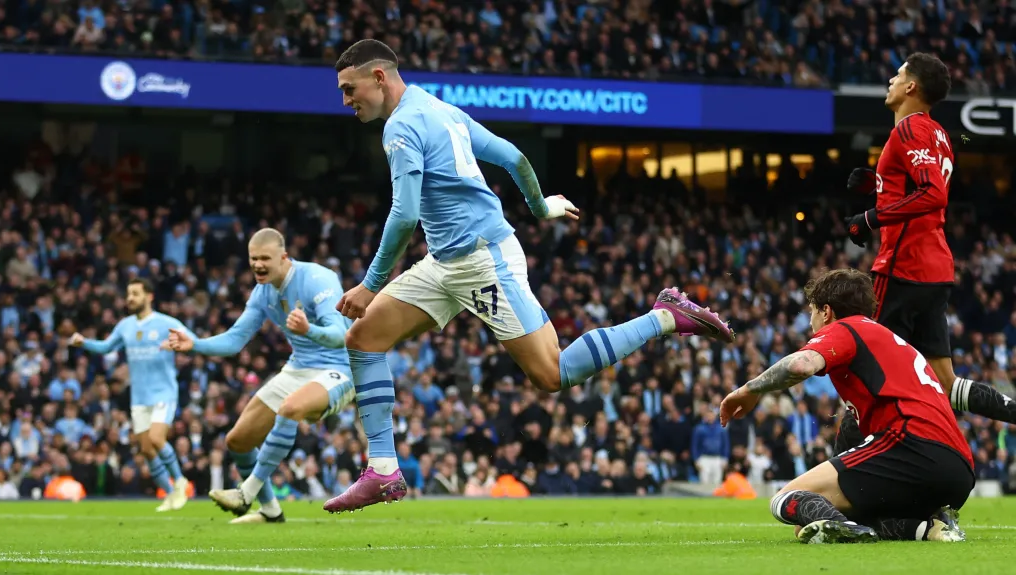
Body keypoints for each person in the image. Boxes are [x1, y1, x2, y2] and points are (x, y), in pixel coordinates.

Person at [325, 38, 734, 513]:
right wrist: (541, 207)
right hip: (445, 260)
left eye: (348, 88)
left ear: (378, 77)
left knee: (551, 373)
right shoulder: (442, 110)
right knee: (363, 339)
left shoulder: (400, 127)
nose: (345, 100)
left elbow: (403, 215)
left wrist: (370, 283)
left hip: (482, 261)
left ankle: (664, 316)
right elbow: (514, 157)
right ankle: (383, 470)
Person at [720, 268, 973, 544]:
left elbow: (800, 365)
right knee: (814, 520)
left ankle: (849, 530)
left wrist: (748, 390)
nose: (811, 322)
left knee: (785, 499)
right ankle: (929, 527)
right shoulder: (892, 343)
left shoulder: (847, 328)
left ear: (826, 312)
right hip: (958, 471)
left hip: (911, 447)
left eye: (812, 313)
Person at [842, 52, 1016, 452]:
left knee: (864, 376)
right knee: (944, 384)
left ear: (911, 87)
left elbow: (932, 193)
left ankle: (851, 485)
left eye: (898, 73)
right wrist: (877, 182)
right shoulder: (938, 135)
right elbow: (921, 187)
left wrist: (870, 217)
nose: (891, 78)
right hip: (935, 271)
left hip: (902, 268)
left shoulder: (907, 131)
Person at [162, 228, 355, 524]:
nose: (258, 265)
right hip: (298, 368)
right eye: (253, 259)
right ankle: (270, 511)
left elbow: (340, 335)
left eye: (265, 258)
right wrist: (194, 345)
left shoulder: (317, 279)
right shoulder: (263, 292)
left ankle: (246, 492)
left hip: (339, 369)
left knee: (290, 408)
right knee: (238, 441)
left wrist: (309, 330)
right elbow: (235, 339)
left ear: (284, 257)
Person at [70, 278, 191, 512]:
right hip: (139, 397)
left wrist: (178, 345)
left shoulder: (167, 323)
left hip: (163, 392)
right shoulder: (125, 326)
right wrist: (84, 342)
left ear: (149, 296)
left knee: (157, 439)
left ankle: (180, 482)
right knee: (146, 449)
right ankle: (169, 494)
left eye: (135, 294)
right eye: (128, 294)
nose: (130, 299)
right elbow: (107, 347)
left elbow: (192, 341)